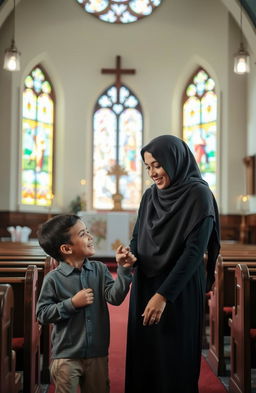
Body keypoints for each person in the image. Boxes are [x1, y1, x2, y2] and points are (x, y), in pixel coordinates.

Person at [125, 135, 220, 393]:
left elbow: (193, 254)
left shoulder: (199, 195)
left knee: (174, 358)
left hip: (178, 290)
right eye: (148, 167)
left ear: (174, 160)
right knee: (144, 357)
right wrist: (130, 256)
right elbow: (137, 237)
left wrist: (163, 295)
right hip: (146, 283)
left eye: (157, 164)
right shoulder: (149, 196)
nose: (152, 173)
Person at [36, 214, 136, 393]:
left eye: (88, 232)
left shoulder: (99, 269)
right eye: (83, 234)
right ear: (66, 248)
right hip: (66, 356)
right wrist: (72, 303)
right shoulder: (53, 279)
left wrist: (124, 269)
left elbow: (115, 297)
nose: (90, 237)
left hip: (97, 353)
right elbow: (42, 314)